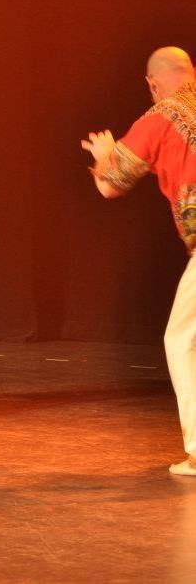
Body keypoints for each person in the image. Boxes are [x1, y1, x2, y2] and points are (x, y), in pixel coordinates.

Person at [82, 46, 196, 476]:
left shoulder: (159, 117)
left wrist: (104, 157)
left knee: (182, 339)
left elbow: (110, 186)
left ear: (152, 84)